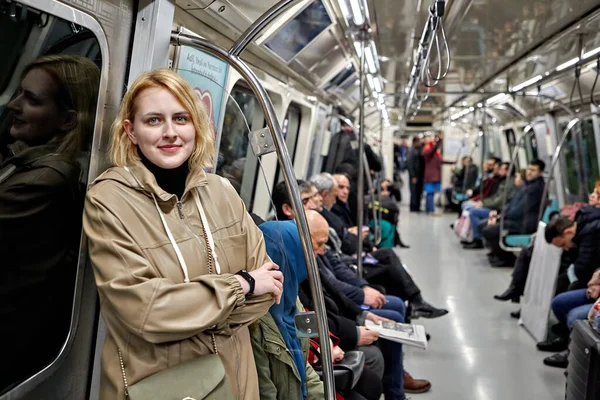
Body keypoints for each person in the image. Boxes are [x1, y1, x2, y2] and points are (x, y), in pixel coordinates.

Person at [83, 69, 284, 399]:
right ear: (131, 132)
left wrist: (190, 314)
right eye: (153, 121)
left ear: (196, 126)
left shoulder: (221, 191)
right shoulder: (109, 200)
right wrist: (241, 284)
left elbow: (269, 286)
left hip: (235, 380)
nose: (170, 132)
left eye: (181, 118)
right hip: (160, 384)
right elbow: (146, 312)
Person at [0, 55, 100, 393]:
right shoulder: (26, 161)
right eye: (19, 94)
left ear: (67, 120)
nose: (14, 104)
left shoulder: (46, 180)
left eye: (32, 100)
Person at [274, 178, 448, 319]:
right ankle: (413, 306)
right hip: (333, 305)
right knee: (392, 298)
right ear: (288, 209)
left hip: (341, 287)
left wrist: (362, 287)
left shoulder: (313, 225)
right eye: (306, 201)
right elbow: (327, 283)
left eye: (313, 198)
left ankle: (414, 304)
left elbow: (334, 264)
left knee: (388, 265)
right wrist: (360, 297)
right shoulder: (291, 241)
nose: (313, 204)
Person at [479, 160, 545, 264]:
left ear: (540, 173)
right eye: (528, 169)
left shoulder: (534, 189)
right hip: (518, 220)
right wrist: (499, 216)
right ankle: (496, 252)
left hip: (524, 224)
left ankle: (507, 258)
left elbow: (517, 211)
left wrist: (499, 219)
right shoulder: (527, 186)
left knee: (488, 230)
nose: (529, 172)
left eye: (533, 170)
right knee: (482, 225)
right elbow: (512, 206)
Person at [422, 132, 453, 215]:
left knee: (431, 193)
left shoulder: (435, 154)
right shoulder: (427, 152)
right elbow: (434, 149)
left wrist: (452, 162)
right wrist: (439, 140)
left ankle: (430, 209)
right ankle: (430, 210)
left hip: (435, 176)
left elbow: (441, 161)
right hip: (431, 176)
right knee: (430, 193)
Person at [406, 136, 425, 212]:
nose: (420, 143)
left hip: (420, 175)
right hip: (414, 175)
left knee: (419, 192)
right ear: (414, 142)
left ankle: (417, 207)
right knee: (414, 192)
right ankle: (413, 207)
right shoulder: (411, 151)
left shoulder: (420, 150)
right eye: (418, 142)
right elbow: (409, 164)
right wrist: (413, 175)